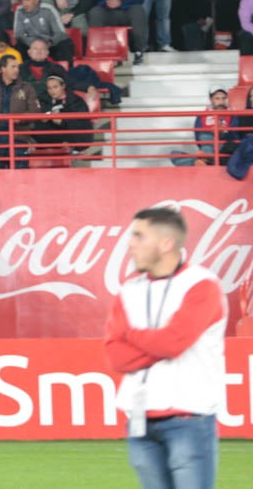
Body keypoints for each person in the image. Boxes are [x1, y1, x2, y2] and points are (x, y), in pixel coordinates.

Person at [105, 205, 225, 488]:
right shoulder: (129, 289)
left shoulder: (201, 285)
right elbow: (115, 356)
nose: (130, 244)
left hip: (188, 418)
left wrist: (131, 335)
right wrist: (157, 342)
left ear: (166, 243)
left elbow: (173, 343)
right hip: (139, 420)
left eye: (138, 236)